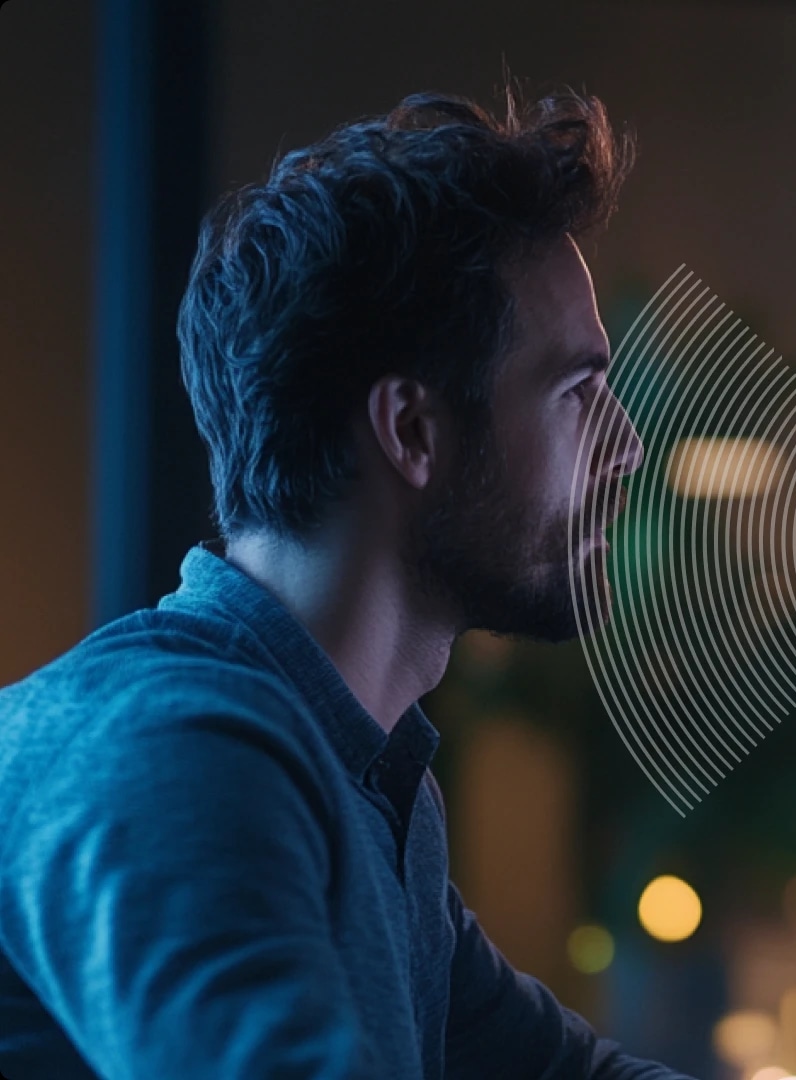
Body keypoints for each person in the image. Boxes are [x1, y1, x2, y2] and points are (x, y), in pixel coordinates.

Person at [0, 88, 691, 1079]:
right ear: (412, 431)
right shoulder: (178, 755)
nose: (626, 449)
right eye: (578, 392)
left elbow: (564, 1075)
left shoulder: (364, 775)